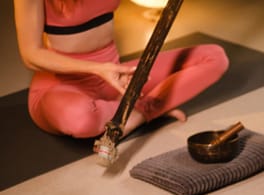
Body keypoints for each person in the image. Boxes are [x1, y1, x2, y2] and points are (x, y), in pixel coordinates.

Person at [14, 0, 229, 138]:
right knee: (80, 118)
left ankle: (137, 111)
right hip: (61, 87)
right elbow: (31, 55)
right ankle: (139, 108)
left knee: (213, 58)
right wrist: (98, 69)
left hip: (115, 77)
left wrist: (107, 72)